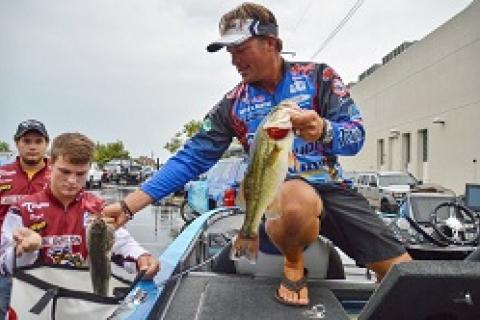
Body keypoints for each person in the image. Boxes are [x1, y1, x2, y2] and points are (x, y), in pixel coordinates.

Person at [102, 2, 411, 306]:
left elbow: (355, 137)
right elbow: (191, 157)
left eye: (240, 49)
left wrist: (322, 129)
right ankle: (293, 265)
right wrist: (128, 207)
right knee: (294, 201)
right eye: (229, 52)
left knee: (406, 276)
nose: (234, 60)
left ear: (271, 43)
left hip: (334, 190)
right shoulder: (234, 103)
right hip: (278, 197)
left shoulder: (319, 77)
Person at [0, 133, 159, 289]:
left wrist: (142, 258)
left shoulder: (99, 208)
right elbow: (4, 267)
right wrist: (28, 250)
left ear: (89, 169)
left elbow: (123, 245)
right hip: (33, 304)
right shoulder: (21, 209)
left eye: (80, 173)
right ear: (51, 165)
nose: (72, 181)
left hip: (82, 301)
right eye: (65, 171)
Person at [0, 119, 51, 318]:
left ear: (46, 144)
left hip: (45, 263)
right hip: (5, 263)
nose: (32, 146)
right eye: (26, 140)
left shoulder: (58, 175)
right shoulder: (2, 175)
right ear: (16, 143)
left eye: (38, 141)